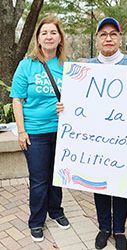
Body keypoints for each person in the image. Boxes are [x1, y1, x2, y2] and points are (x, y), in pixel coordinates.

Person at [89, 17, 127, 250]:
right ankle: (104, 228)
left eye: (113, 34)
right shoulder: (87, 67)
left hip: (125, 140)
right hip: (95, 139)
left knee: (122, 184)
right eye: (103, 34)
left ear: (120, 38)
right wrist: (65, 108)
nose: (108, 38)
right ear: (97, 39)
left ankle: (120, 229)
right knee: (99, 184)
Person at [10, 15, 70, 242]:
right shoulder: (27, 65)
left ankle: (56, 212)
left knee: (58, 176)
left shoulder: (67, 66)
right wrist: (22, 131)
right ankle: (36, 221)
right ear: (38, 38)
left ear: (59, 37)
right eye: (44, 32)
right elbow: (17, 99)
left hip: (63, 131)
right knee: (39, 179)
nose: (49, 36)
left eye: (53, 32)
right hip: (35, 131)